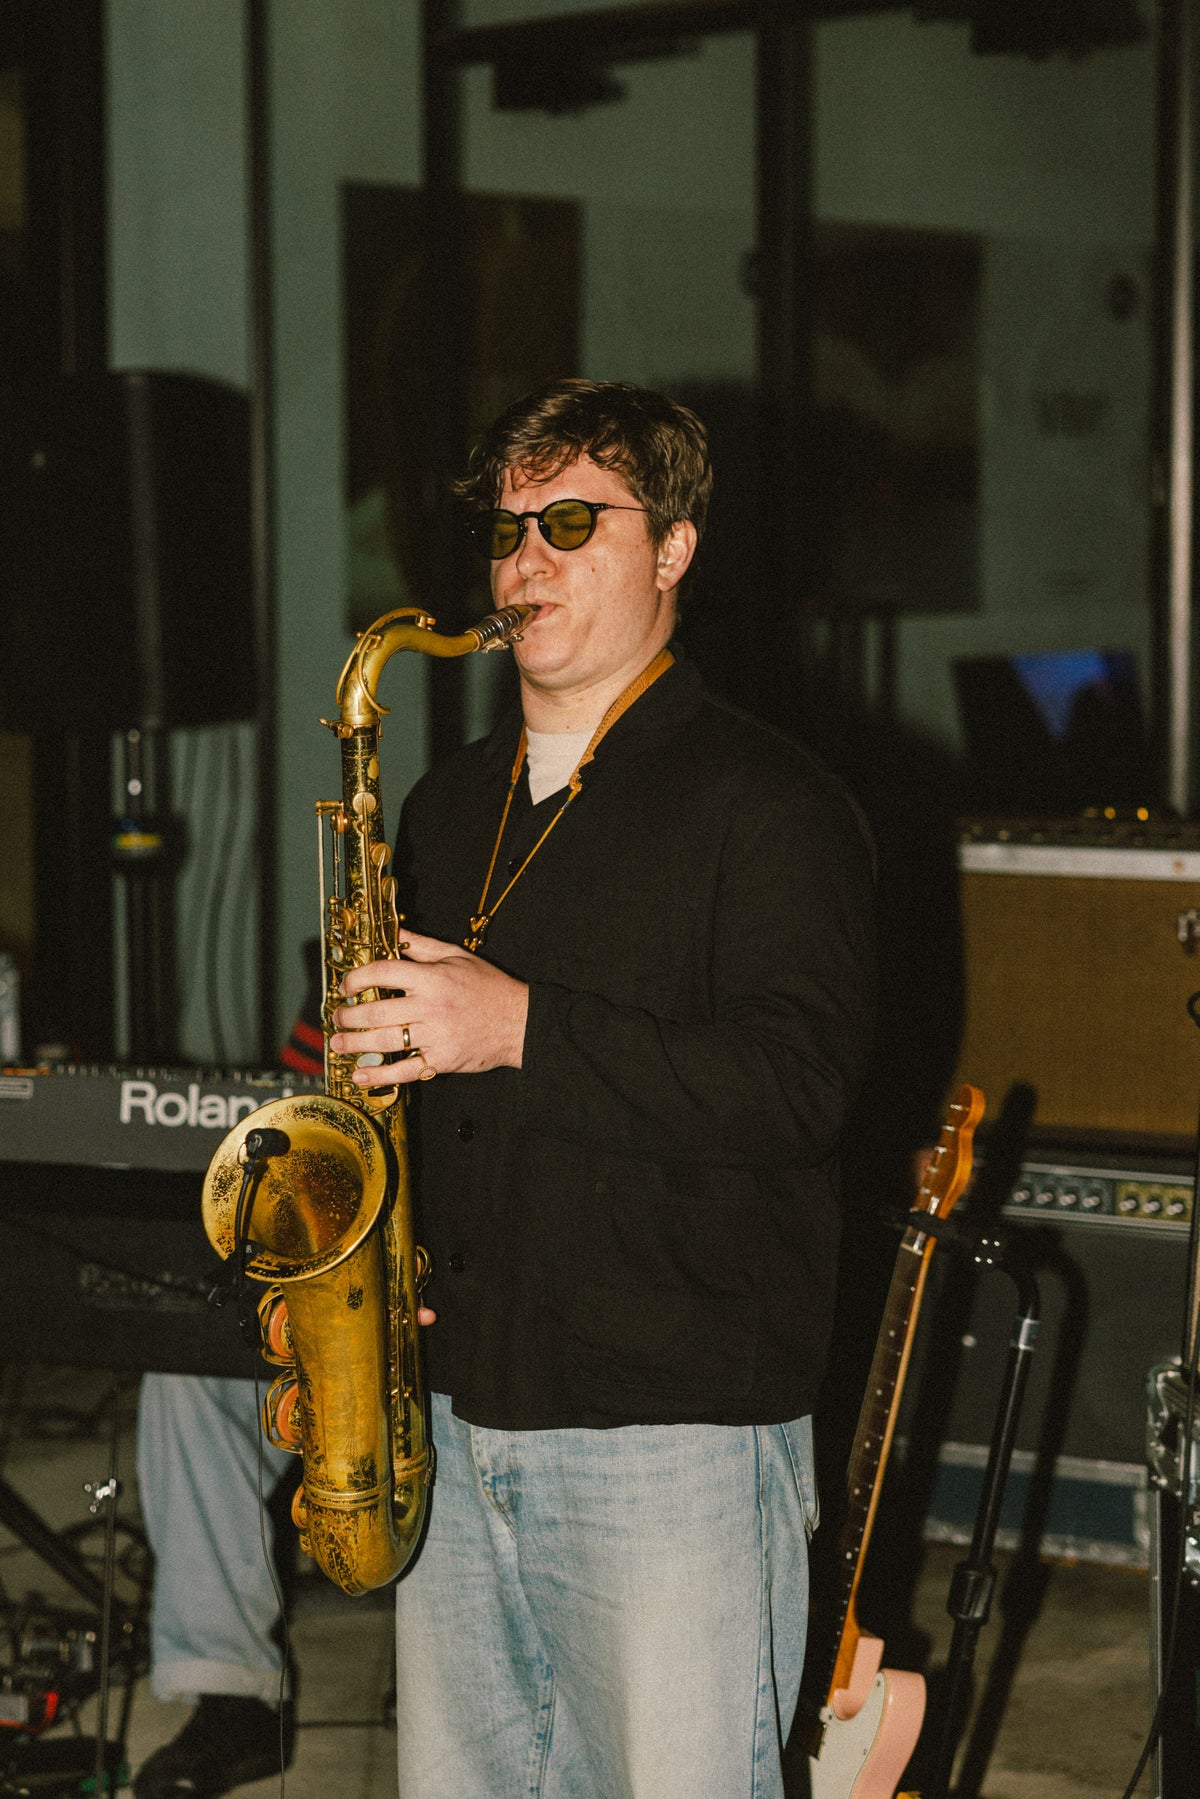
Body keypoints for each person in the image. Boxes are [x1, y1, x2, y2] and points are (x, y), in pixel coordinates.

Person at [326, 378, 877, 1798]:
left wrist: (517, 1029)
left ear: (674, 547)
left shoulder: (774, 805)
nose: (526, 562)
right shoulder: (444, 803)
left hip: (674, 1436)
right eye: (507, 531)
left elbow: (797, 1089)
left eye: (572, 523)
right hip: (455, 1410)